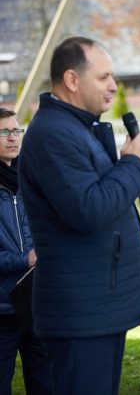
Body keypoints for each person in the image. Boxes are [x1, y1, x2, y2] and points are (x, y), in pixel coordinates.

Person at [18, 36, 140, 395]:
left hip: (99, 306)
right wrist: (134, 163)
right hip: (80, 313)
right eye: (104, 77)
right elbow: (89, 210)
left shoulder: (79, 129)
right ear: (72, 80)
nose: (113, 86)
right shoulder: (53, 134)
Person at [0, 107, 52, 394]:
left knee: (45, 383)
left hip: (37, 302)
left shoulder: (33, 179)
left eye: (16, 130)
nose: (12, 137)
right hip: (2, 306)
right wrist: (25, 258)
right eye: (4, 131)